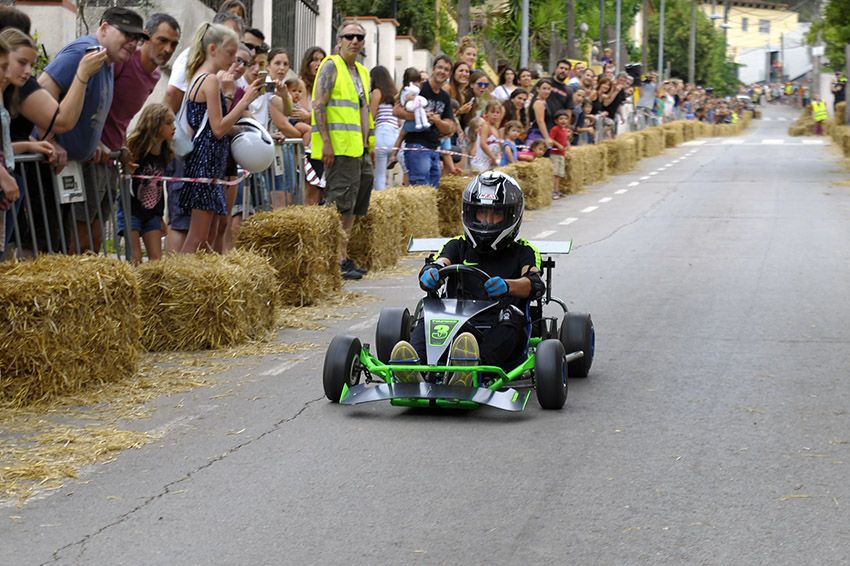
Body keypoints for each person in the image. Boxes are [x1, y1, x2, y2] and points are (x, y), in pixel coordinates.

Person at [390, 171, 545, 385]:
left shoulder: (524, 251)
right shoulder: (457, 245)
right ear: (470, 213)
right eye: (482, 213)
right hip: (458, 324)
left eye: (495, 214)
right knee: (429, 312)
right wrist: (431, 274)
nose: (487, 221)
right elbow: (440, 262)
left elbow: (534, 284)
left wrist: (508, 286)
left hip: (501, 324)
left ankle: (473, 369)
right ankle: (414, 367)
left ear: (511, 215)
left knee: (511, 316)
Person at [39, 6, 146, 254]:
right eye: (126, 35)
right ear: (105, 28)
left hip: (74, 164)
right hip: (51, 166)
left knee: (77, 241)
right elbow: (43, 88)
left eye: (136, 39)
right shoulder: (82, 51)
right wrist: (51, 139)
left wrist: (93, 141)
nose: (132, 43)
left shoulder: (106, 60)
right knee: (59, 244)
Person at [178, 22, 262, 253]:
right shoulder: (209, 80)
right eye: (230, 53)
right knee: (198, 236)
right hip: (205, 162)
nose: (234, 59)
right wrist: (243, 100)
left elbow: (214, 123)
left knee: (208, 234)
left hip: (209, 160)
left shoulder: (201, 77)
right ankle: (182, 281)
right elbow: (217, 128)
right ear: (213, 49)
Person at [312, 22, 375, 280]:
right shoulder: (331, 65)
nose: (355, 41)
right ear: (339, 39)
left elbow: (363, 109)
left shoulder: (361, 71)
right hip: (338, 148)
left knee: (354, 204)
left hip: (358, 149)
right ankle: (334, 260)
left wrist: (368, 143)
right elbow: (318, 105)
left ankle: (343, 255)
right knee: (339, 205)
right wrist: (326, 142)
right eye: (350, 36)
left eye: (360, 37)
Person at [118, 103, 174, 264]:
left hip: (152, 215)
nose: (173, 127)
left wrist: (160, 217)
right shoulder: (135, 149)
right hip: (131, 211)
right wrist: (127, 171)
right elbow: (121, 180)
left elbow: (158, 187)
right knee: (135, 259)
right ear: (155, 125)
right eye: (168, 123)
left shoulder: (166, 154)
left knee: (156, 260)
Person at [393, 55, 455, 188]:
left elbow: (449, 127)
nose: (442, 71)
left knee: (432, 192)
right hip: (416, 146)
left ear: (449, 74)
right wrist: (418, 116)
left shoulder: (445, 97)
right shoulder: (418, 88)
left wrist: (437, 121)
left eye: (446, 69)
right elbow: (396, 110)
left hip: (434, 149)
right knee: (421, 189)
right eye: (440, 67)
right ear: (433, 69)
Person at [369, 65, 398, 190]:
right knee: (386, 175)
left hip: (381, 134)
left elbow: (372, 116)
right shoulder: (394, 94)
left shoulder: (376, 92)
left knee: (379, 175)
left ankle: (379, 202)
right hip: (394, 136)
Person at [548, 109, 571, 199]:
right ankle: (554, 191)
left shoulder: (564, 130)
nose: (563, 121)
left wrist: (568, 144)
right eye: (561, 119)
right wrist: (558, 145)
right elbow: (551, 139)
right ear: (556, 121)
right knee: (555, 173)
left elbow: (566, 139)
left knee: (559, 174)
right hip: (555, 153)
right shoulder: (555, 129)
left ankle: (557, 190)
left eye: (565, 119)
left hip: (562, 154)